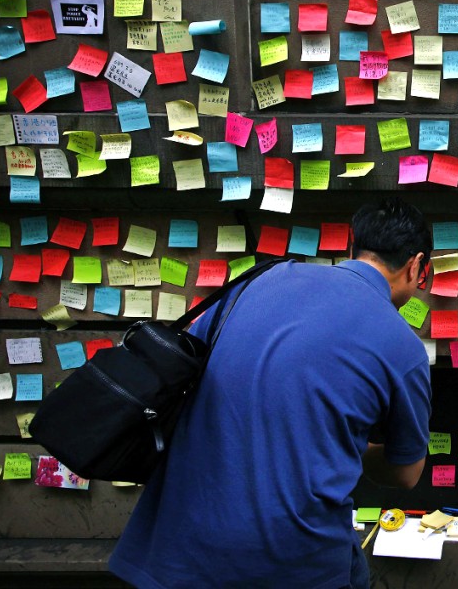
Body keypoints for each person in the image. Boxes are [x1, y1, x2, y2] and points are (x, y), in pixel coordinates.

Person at [109, 198, 433, 588]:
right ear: (416, 265)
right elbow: (406, 472)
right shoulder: (403, 346)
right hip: (291, 562)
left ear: (355, 247)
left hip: (172, 548)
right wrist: (351, 448)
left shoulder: (257, 281)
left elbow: (184, 373)